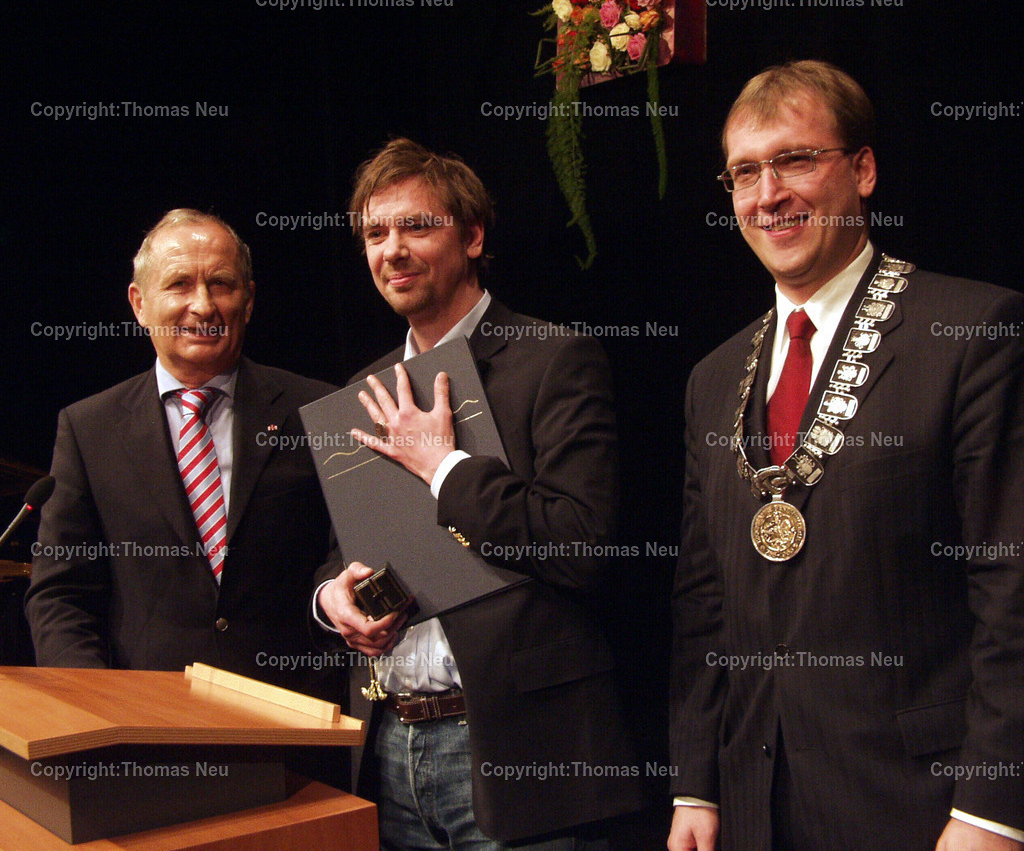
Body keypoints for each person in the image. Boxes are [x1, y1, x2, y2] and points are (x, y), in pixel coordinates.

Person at [668, 60, 1024, 851]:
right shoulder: (713, 377)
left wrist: (993, 810)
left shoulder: (972, 334)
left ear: (862, 170)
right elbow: (704, 603)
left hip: (923, 809)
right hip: (755, 805)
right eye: (745, 172)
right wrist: (696, 782)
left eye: (795, 159)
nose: (769, 194)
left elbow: (1014, 590)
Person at [313, 138, 645, 849]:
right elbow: (339, 552)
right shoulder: (361, 390)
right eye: (375, 233)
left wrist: (444, 467)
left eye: (416, 226)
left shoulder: (556, 358)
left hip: (517, 755)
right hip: (390, 749)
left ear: (472, 235)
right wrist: (331, 598)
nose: (392, 250)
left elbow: (580, 543)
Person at [26, 209, 343, 710]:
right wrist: (95, 703)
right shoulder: (89, 429)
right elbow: (61, 595)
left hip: (296, 722)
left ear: (250, 299)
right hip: (147, 727)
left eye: (221, 284)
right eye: (178, 285)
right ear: (139, 303)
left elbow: (345, 549)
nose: (203, 305)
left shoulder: (318, 411)